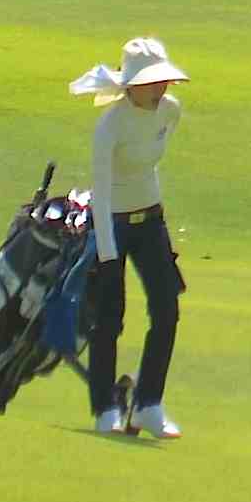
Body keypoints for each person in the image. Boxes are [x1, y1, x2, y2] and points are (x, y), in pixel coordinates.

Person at [73, 38, 189, 440]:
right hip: (112, 222)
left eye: (164, 81)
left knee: (167, 311)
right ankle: (104, 407)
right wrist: (106, 255)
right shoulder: (111, 125)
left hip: (150, 219)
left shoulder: (171, 112)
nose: (162, 89)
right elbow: (101, 192)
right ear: (131, 86)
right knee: (109, 318)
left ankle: (148, 404)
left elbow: (149, 167)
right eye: (153, 82)